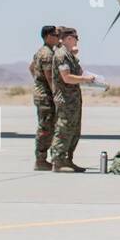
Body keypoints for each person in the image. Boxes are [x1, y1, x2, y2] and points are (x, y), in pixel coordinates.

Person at [49, 27, 96, 172]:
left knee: (73, 129)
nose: (77, 41)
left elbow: (77, 71)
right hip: (65, 99)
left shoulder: (69, 55)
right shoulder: (61, 55)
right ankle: (58, 160)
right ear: (69, 38)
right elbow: (66, 77)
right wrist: (85, 79)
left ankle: (67, 159)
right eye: (76, 38)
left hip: (73, 99)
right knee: (64, 128)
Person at [28, 25, 59, 171]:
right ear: (47, 36)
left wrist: (37, 81)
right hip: (46, 97)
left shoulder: (41, 51)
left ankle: (42, 159)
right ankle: (40, 160)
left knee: (47, 126)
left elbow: (31, 67)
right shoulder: (47, 54)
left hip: (42, 95)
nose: (58, 37)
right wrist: (56, 94)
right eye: (55, 35)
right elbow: (50, 77)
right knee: (46, 128)